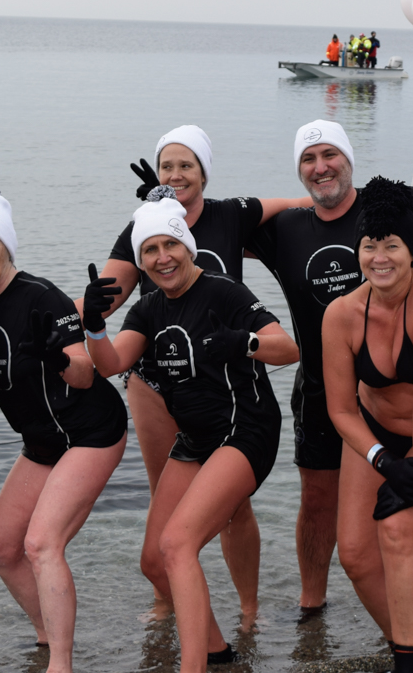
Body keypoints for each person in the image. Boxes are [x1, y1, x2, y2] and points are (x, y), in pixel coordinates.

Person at [246, 119, 413, 611]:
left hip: (395, 392)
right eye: (308, 159)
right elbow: (213, 231)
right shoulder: (286, 227)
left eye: (331, 155)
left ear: (350, 159)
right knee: (318, 500)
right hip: (322, 388)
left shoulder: (396, 203)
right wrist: (169, 203)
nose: (321, 166)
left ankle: (405, 625)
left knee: (393, 527)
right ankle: (311, 604)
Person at [95, 126, 307, 619]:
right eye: (166, 166)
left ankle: (248, 609)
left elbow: (303, 203)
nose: (175, 174)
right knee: (164, 496)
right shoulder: (142, 227)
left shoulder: (231, 214)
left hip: (222, 381)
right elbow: (104, 296)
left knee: (233, 504)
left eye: (186, 165)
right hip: (156, 380)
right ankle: (166, 599)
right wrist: (68, 323)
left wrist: (380, 202)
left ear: (205, 172)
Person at [0, 184, 129, 673]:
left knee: (40, 544)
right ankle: (46, 636)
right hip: (42, 441)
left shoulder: (41, 296)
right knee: (0, 550)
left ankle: (61, 663)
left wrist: (56, 358)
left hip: (90, 431)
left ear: (7, 245)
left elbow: (85, 371)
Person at [322, 177, 413, 673]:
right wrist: (384, 461)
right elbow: (342, 410)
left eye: (392, 246)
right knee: (355, 555)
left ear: (412, 250)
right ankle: (411, 652)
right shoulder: (340, 314)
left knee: (398, 530)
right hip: (375, 430)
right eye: (369, 246)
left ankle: (409, 660)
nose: (379, 258)